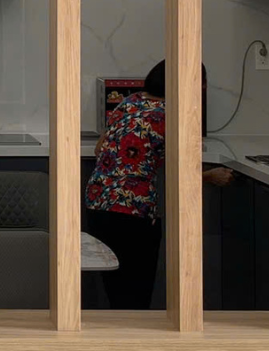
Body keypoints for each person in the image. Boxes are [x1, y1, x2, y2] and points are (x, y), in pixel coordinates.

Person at [83, 60, 229, 308]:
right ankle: (135, 332)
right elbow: (181, 171)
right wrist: (211, 176)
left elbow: (99, 149)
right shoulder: (172, 115)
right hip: (133, 210)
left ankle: (117, 330)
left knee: (115, 284)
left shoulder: (129, 101)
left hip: (98, 201)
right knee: (137, 291)